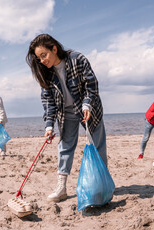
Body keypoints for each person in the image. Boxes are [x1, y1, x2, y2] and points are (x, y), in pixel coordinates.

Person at [26, 33, 107, 203]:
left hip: (89, 109)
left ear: (54, 49)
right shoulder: (46, 74)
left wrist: (87, 104)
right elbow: (48, 101)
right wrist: (49, 126)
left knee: (98, 145)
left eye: (44, 55)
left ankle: (101, 186)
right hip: (66, 113)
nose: (42, 61)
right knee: (65, 147)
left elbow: (91, 85)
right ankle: (61, 188)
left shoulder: (77, 59)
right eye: (39, 58)